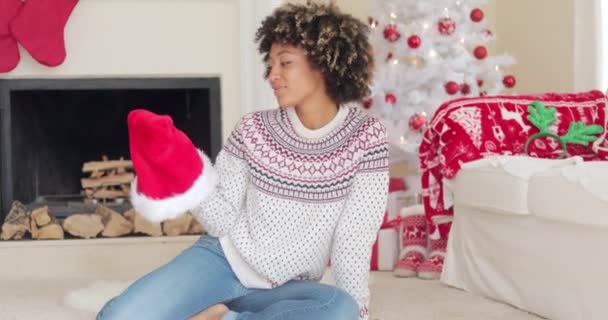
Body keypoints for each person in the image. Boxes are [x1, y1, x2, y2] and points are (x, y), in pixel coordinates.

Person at [97, 2, 388, 320]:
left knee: (340, 308)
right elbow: (220, 220)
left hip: (287, 288)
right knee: (117, 318)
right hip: (219, 262)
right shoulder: (253, 129)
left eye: (285, 63)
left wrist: (360, 314)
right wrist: (188, 174)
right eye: (271, 64)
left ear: (325, 64)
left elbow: (353, 240)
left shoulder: (366, 138)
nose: (272, 75)